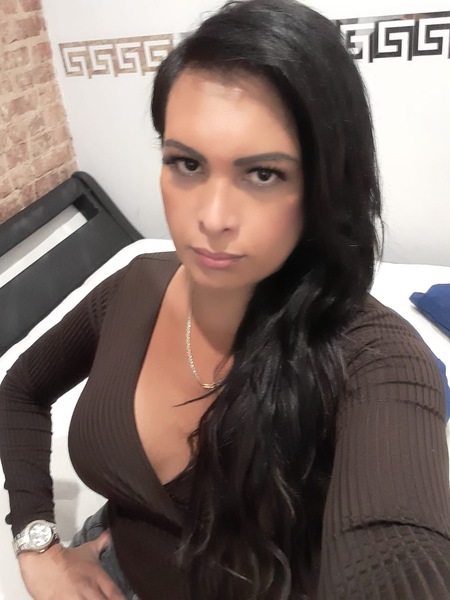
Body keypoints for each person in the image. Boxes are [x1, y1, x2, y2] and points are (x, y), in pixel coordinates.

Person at [1, 0, 449, 598]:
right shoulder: (134, 285)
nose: (211, 218)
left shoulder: (376, 358)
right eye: (186, 163)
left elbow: (395, 550)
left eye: (263, 174)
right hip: (106, 560)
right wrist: (37, 546)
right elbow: (20, 389)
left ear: (326, 184)